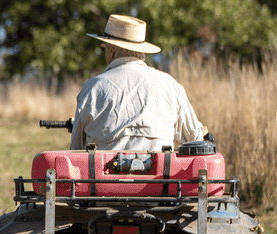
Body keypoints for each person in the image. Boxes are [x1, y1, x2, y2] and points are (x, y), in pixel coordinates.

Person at [70, 14, 207, 151]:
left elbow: (76, 149)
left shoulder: (92, 89)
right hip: (162, 172)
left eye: (103, 49)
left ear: (111, 51)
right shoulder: (170, 85)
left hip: (102, 172)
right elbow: (195, 139)